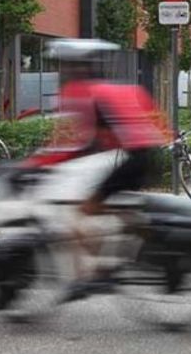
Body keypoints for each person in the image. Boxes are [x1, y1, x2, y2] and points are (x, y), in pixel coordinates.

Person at [21, 38, 170, 297]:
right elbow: (154, 120)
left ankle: (92, 274)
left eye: (62, 65)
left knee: (83, 210)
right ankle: (142, 248)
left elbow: (72, 143)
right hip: (148, 155)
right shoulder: (118, 88)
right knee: (116, 207)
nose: (61, 71)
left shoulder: (81, 92)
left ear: (73, 67)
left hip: (133, 159)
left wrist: (34, 165)